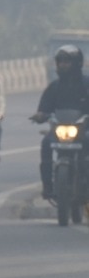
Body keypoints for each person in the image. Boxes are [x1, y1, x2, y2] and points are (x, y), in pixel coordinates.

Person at [30, 44, 89, 199]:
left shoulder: (86, 84)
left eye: (67, 61)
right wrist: (40, 115)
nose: (63, 65)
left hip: (84, 130)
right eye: (60, 61)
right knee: (45, 144)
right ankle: (48, 186)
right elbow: (44, 108)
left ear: (77, 63)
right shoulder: (54, 87)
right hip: (60, 131)